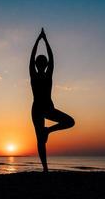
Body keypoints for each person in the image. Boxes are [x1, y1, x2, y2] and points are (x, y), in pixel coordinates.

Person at [30, 28, 75, 172]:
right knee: (40, 140)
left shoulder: (48, 74)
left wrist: (42, 39)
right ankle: (45, 169)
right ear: (38, 65)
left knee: (70, 122)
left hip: (48, 108)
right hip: (37, 109)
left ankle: (48, 130)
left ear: (45, 65)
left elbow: (51, 58)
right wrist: (41, 40)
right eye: (40, 63)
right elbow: (33, 57)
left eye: (44, 63)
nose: (42, 64)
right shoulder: (34, 75)